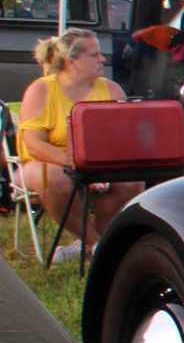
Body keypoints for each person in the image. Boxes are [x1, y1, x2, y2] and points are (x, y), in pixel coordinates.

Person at [15, 28, 143, 262]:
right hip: (43, 164)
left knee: (131, 180)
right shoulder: (41, 90)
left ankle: (93, 244)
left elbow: (122, 138)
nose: (103, 59)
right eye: (94, 55)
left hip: (98, 165)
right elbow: (34, 145)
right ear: (71, 60)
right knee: (54, 177)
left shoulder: (112, 89)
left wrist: (99, 168)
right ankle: (97, 245)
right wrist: (76, 164)